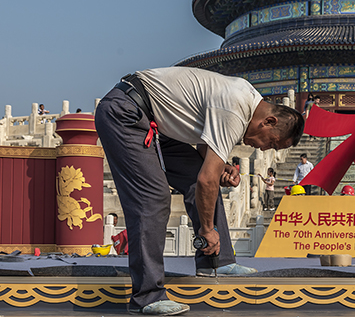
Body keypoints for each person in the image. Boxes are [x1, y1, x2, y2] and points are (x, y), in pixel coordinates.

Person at [95, 67, 304, 315]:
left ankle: (216, 262)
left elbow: (205, 155)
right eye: (271, 143)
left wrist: (221, 167)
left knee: (201, 176)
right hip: (126, 113)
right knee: (153, 198)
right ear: (269, 121)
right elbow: (207, 180)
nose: (264, 149)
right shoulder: (234, 109)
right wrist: (207, 229)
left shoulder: (247, 101)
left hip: (158, 122)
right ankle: (146, 296)